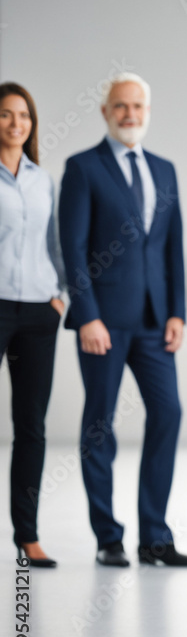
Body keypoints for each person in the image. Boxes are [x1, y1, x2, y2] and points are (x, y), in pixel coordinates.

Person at [59, 73, 187, 567]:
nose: (130, 114)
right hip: (103, 323)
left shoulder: (164, 170)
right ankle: (107, 537)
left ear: (147, 110)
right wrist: (87, 316)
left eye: (137, 105)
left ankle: (154, 536)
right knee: (100, 424)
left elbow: (171, 249)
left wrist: (178, 312)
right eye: (120, 106)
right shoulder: (83, 168)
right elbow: (72, 249)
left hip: (155, 321)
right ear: (105, 113)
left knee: (169, 412)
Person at [0, 82, 64, 567]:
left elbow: (55, 242)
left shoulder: (43, 179)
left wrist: (61, 294)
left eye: (22, 115)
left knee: (31, 427)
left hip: (39, 311)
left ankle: (28, 535)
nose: (15, 123)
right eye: (5, 115)